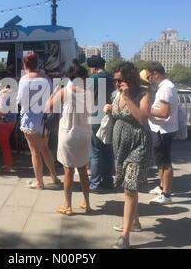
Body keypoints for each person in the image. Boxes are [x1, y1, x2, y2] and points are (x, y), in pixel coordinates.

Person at [104, 62, 151, 249]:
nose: (116, 84)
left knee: (129, 187)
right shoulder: (115, 95)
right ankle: (135, 222)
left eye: (120, 80)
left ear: (130, 78)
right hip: (120, 144)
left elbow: (142, 118)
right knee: (128, 184)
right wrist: (110, 109)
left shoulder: (143, 94)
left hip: (139, 144)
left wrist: (127, 97)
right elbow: (117, 116)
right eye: (115, 80)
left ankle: (125, 236)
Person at [47, 63, 92, 215]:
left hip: (69, 134)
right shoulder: (88, 93)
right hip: (85, 134)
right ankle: (86, 203)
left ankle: (68, 206)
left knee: (68, 171)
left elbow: (48, 107)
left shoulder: (64, 91)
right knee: (83, 170)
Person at [17, 52, 61, 189]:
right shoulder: (46, 79)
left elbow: (19, 101)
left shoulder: (23, 80)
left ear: (25, 65)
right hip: (44, 120)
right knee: (45, 149)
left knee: (34, 152)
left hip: (30, 119)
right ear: (38, 64)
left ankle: (39, 182)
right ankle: (54, 177)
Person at [146, 62, 179, 205]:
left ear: (155, 73)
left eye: (149, 76)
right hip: (161, 129)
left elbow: (164, 113)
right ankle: (162, 188)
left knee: (165, 162)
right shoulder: (166, 87)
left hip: (163, 130)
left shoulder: (165, 89)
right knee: (160, 162)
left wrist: (146, 110)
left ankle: (166, 194)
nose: (148, 79)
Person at [86, 55, 115, 192]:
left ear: (93, 67)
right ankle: (108, 180)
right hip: (109, 115)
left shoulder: (93, 79)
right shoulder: (111, 77)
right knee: (108, 150)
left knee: (95, 151)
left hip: (95, 116)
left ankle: (94, 184)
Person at [0, 81, 17, 173]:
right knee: (7, 143)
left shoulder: (2, 94)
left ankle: (8, 166)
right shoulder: (13, 93)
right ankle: (9, 162)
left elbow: (0, 109)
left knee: (5, 145)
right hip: (12, 122)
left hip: (3, 122)